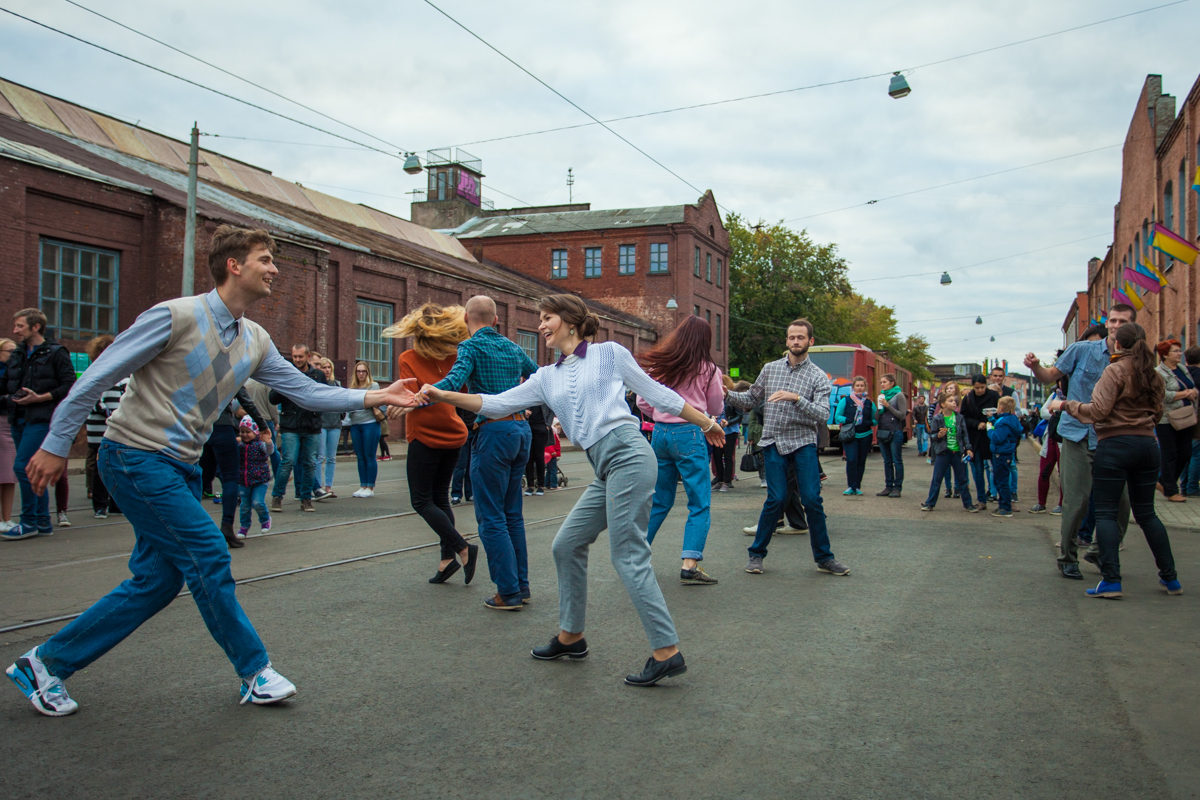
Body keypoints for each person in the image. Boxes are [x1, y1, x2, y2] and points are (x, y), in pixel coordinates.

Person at [4, 224, 417, 716]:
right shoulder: (175, 316)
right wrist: (54, 444)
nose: (274, 268)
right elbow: (98, 375)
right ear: (233, 265)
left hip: (182, 468)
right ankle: (254, 670)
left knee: (155, 582)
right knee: (208, 552)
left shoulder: (255, 339)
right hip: (134, 456)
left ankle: (44, 664)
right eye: (265, 259)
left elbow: (307, 392)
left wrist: (375, 395)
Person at [418, 293, 723, 686]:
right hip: (604, 468)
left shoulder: (610, 353)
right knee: (566, 544)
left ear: (569, 321)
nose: (541, 325)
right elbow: (494, 404)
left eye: (546, 318)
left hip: (628, 455)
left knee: (628, 556)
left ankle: (667, 652)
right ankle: (571, 636)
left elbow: (658, 395)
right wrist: (443, 394)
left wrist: (707, 423)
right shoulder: (547, 376)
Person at [1047, 322, 1181, 598]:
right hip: (1147, 444)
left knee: (1106, 512)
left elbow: (1098, 410)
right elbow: (1157, 412)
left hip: (1115, 443)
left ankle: (1111, 580)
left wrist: (1064, 405)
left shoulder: (1115, 370)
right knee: (1147, 514)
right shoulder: (1153, 375)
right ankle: (1171, 578)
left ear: (1118, 344)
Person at [428, 296, 538, 610]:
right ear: (495, 320)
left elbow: (454, 380)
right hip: (521, 431)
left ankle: (508, 591)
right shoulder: (514, 348)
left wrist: (427, 392)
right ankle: (522, 586)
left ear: (466, 317)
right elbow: (539, 374)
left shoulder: (471, 347)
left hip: (493, 431)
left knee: (490, 516)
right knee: (512, 513)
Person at [726, 319, 848, 577]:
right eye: (792, 337)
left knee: (813, 500)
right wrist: (724, 393)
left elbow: (823, 414)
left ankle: (824, 558)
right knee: (777, 498)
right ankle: (756, 554)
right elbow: (749, 399)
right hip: (773, 442)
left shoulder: (818, 377)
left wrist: (797, 399)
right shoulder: (770, 369)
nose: (795, 342)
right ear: (786, 341)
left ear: (810, 342)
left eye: (800, 338)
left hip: (802, 443)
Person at [1025, 304, 1134, 581]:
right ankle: (1068, 557)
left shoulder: (1135, 359)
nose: (1116, 325)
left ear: (1131, 325)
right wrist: (1036, 366)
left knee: (1122, 503)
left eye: (1123, 321)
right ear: (1107, 323)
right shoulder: (1082, 350)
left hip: (1114, 437)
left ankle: (1099, 550)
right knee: (1078, 500)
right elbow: (1050, 376)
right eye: (1113, 320)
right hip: (1078, 434)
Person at [386, 303, 479, 586]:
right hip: (454, 434)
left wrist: (406, 403)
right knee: (439, 496)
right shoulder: (456, 356)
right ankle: (446, 559)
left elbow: (411, 395)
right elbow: (462, 392)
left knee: (421, 500)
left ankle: (462, 547)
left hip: (426, 436)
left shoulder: (408, 357)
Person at [637, 315, 725, 586]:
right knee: (699, 501)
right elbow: (716, 408)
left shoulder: (661, 366)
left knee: (660, 500)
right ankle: (689, 563)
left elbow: (642, 401)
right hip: (690, 433)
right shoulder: (709, 369)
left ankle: (636, 558)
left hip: (660, 434)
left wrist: (660, 413)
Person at [2, 308, 75, 540]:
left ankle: (29, 521)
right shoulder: (17, 354)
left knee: (22, 466)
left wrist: (40, 398)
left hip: (42, 418)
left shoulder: (56, 352)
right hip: (18, 418)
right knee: (32, 469)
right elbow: (6, 386)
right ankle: (43, 522)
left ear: (36, 327)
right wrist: (12, 398)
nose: (15, 331)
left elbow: (69, 386)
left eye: (20, 326)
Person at [268, 344, 324, 513]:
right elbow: (273, 398)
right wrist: (285, 385)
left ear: (308, 357)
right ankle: (277, 496)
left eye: (300, 356)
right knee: (288, 461)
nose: (297, 360)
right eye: (295, 357)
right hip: (290, 425)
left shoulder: (318, 375)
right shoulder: (286, 373)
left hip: (311, 425)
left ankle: (306, 498)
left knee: (309, 463)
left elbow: (325, 396)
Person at [212, 386, 270, 546]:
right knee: (230, 477)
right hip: (221, 425)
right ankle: (227, 526)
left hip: (196, 426)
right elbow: (246, 401)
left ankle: (190, 529)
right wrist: (262, 425)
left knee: (194, 475)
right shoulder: (231, 369)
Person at [82, 335, 126, 520]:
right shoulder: (95, 372)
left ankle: (115, 504)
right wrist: (110, 413)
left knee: (116, 465)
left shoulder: (123, 372)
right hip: (100, 425)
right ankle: (100, 505)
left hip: (118, 424)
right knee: (101, 465)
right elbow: (91, 399)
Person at [1153, 339, 1196, 502]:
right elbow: (1162, 395)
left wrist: (1193, 392)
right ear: (1165, 354)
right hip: (1166, 419)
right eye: (1176, 351)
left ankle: (1163, 482)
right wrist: (1185, 394)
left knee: (1185, 453)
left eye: (1180, 350)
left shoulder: (1182, 369)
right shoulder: (1158, 372)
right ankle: (1171, 491)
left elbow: (1190, 386)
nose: (1180, 353)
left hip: (1185, 416)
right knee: (1169, 454)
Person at [920, 393, 976, 512]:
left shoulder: (959, 418)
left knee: (962, 479)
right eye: (951, 401)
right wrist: (939, 435)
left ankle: (968, 504)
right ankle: (930, 503)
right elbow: (932, 435)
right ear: (943, 404)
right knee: (937, 478)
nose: (954, 403)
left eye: (955, 401)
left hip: (957, 452)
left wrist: (968, 448)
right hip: (943, 452)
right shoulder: (938, 418)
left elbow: (964, 435)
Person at [959, 375, 999, 511]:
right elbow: (963, 417)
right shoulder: (968, 399)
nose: (980, 390)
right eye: (977, 388)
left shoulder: (994, 396)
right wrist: (977, 424)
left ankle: (1002, 498)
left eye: (982, 387)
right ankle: (981, 499)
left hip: (991, 437)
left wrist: (990, 422)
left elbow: (1001, 413)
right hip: (975, 437)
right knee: (977, 470)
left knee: (997, 469)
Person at [834, 376, 875, 496]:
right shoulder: (846, 401)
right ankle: (850, 486)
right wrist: (850, 420)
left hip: (865, 435)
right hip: (850, 435)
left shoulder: (869, 403)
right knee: (851, 460)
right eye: (857, 385)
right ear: (853, 387)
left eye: (862, 385)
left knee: (861, 461)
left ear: (865, 387)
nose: (860, 388)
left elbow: (875, 419)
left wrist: (869, 422)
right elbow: (838, 416)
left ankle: (857, 486)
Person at [346, 362, 383, 497]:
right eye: (358, 371)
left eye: (363, 371)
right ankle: (363, 485)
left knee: (369, 455)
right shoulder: (352, 387)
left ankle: (370, 487)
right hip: (355, 424)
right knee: (360, 456)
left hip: (370, 423)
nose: (361, 374)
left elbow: (374, 401)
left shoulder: (373, 386)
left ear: (367, 373)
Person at [236, 417, 274, 538]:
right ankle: (244, 526)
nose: (244, 435)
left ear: (255, 432)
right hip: (244, 480)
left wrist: (268, 442)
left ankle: (265, 519)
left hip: (260, 480)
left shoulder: (260, 444)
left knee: (257, 502)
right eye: (242, 432)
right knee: (245, 506)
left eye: (248, 432)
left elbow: (270, 451)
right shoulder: (240, 445)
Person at [988, 396, 1023, 517]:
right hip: (1007, 453)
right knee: (1002, 479)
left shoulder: (1003, 422)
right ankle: (1003, 505)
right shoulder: (1011, 420)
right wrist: (992, 420)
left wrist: (989, 430)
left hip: (1000, 453)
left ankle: (1005, 507)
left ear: (1001, 408)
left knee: (1001, 481)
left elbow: (998, 437)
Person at [312, 357, 341, 500]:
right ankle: (319, 487)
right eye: (324, 367)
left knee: (331, 457)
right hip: (322, 424)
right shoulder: (317, 384)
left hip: (335, 424)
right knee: (320, 456)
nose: (327, 370)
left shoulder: (336, 384)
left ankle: (329, 486)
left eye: (329, 367)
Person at [1032, 385, 1064, 515]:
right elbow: (1044, 412)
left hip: (1065, 439)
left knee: (1064, 474)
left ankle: (1062, 504)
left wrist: (1057, 410)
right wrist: (1058, 412)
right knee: (1044, 472)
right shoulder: (1054, 395)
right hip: (1051, 437)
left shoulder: (1074, 392)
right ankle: (1041, 503)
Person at [875, 373, 907, 498]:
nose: (882, 384)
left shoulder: (899, 396)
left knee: (896, 460)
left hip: (895, 431)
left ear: (892, 383)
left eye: (885, 382)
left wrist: (888, 406)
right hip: (883, 431)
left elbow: (902, 415)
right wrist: (879, 406)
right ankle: (888, 486)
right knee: (887, 461)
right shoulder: (882, 396)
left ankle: (897, 487)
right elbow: (876, 417)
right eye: (881, 382)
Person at [243, 377, 281, 476]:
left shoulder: (247, 383)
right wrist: (276, 420)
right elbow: (272, 405)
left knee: (251, 449)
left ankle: (252, 474)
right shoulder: (267, 383)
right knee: (272, 449)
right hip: (265, 419)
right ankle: (278, 476)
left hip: (250, 420)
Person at [713, 377, 744, 492]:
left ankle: (727, 481)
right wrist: (712, 417)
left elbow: (739, 416)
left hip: (730, 430)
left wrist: (729, 422)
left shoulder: (733, 399)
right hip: (717, 430)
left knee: (727, 455)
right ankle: (720, 480)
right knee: (716, 455)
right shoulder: (715, 399)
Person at [0, 338, 17, 531]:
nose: (13, 355)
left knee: (8, 476)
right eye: (9, 351)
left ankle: (7, 518)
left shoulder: (16, 371)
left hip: (9, 423)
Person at [1181, 345, 1200, 496]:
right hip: (1197, 420)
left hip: (1183, 418)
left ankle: (1184, 485)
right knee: (1196, 454)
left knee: (1187, 453)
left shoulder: (1182, 375)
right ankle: (1192, 487)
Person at [524, 403, 552, 496]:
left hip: (541, 428)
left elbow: (552, 410)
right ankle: (530, 486)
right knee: (529, 458)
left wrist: (547, 424)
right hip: (528, 427)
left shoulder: (544, 398)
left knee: (539, 458)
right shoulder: (528, 397)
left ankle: (541, 485)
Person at [450, 402, 475, 504]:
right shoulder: (462, 397)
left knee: (471, 465)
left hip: (474, 431)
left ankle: (469, 493)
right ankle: (456, 494)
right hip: (464, 431)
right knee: (460, 465)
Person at [913, 393, 929, 458]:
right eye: (920, 399)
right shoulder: (916, 407)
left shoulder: (927, 407)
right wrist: (914, 419)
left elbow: (928, 415)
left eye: (922, 399)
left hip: (925, 424)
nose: (921, 400)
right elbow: (913, 415)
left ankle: (924, 450)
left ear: (924, 400)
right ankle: (920, 451)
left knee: (925, 438)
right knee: (919, 439)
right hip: (918, 424)